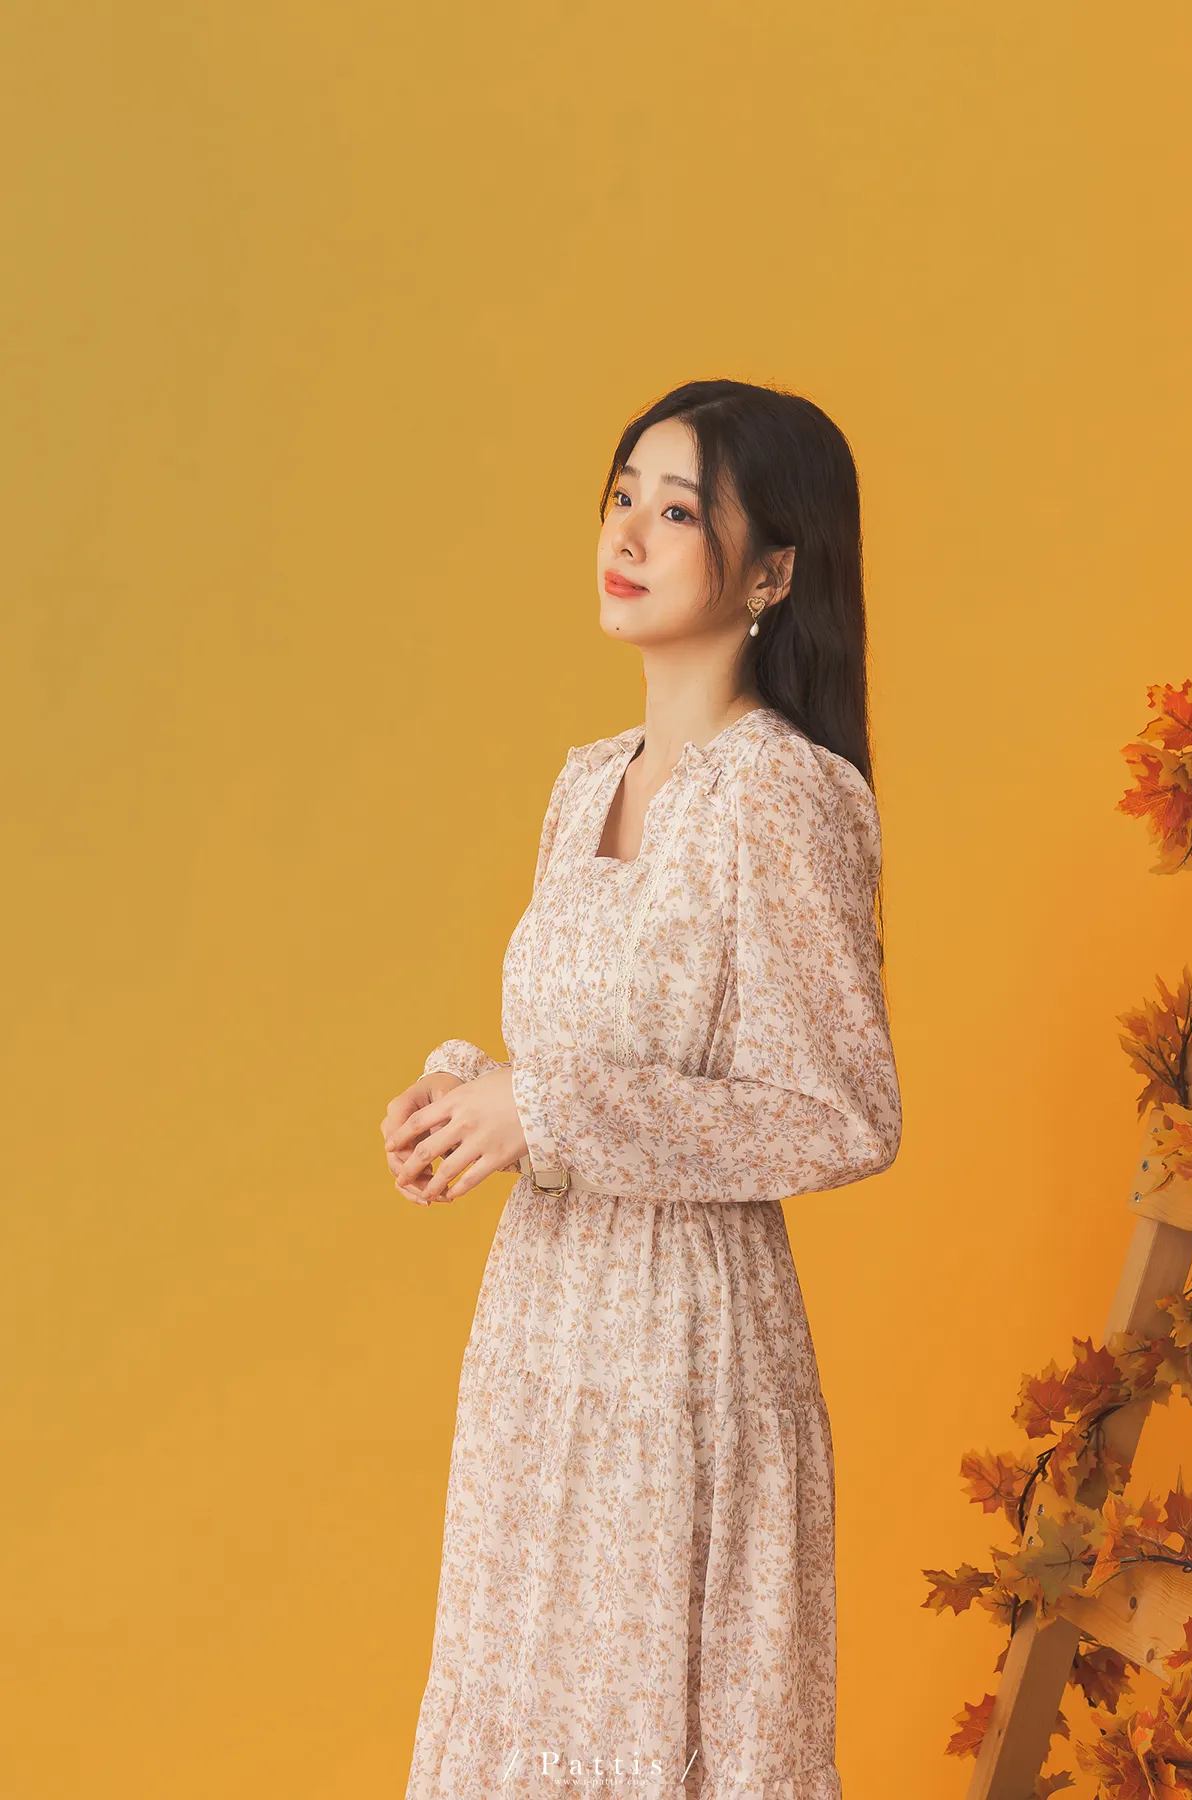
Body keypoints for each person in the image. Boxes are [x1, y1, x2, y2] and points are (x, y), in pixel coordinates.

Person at [382, 377, 902, 1800]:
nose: (627, 535)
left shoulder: (783, 796)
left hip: (685, 1358)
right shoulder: (584, 783)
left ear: (773, 573)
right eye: (622, 496)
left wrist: (545, 1115)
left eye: (679, 512)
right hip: (541, 1340)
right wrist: (473, 1098)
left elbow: (843, 1113)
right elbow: (594, 1046)